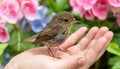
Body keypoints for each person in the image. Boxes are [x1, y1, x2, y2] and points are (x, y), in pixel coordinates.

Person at [4, 27, 113, 69]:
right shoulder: (58, 30)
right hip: (47, 40)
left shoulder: (64, 30)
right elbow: (47, 38)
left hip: (51, 40)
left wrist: (15, 66)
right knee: (50, 46)